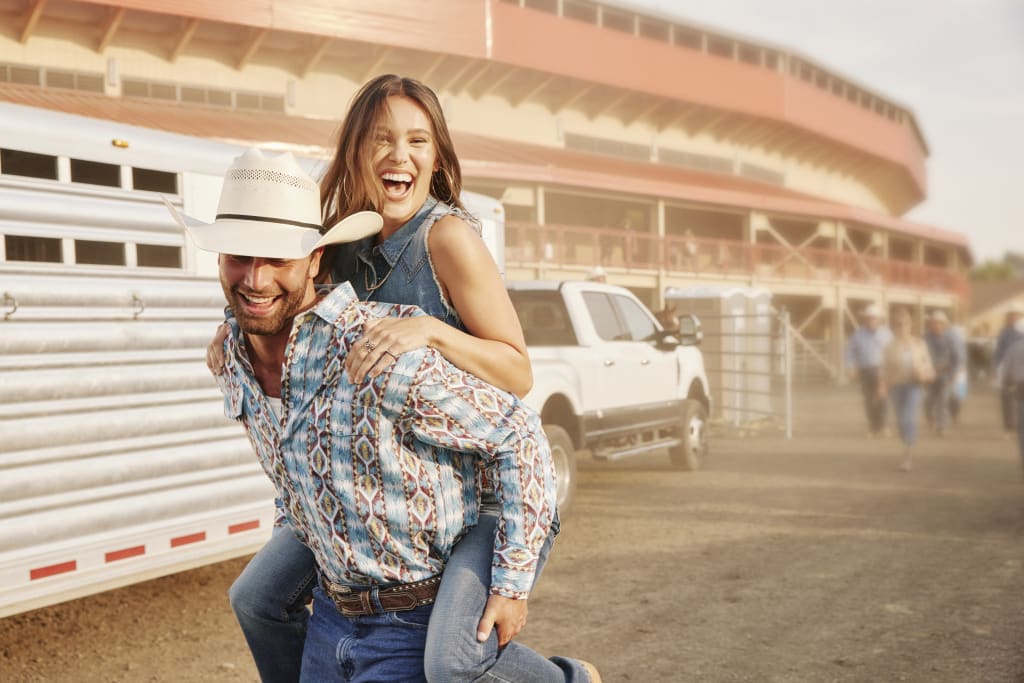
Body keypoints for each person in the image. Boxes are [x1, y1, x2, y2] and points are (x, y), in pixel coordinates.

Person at [210, 75, 589, 682]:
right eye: (382, 139)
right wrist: (232, 327)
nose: (398, 155)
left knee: (448, 662)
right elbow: (276, 291)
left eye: (417, 140)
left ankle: (564, 679)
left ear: (436, 158)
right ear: (357, 149)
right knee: (256, 598)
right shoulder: (342, 241)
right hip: (392, 492)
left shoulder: (447, 237)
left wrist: (432, 331)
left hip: (483, 487)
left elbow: (517, 371)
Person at [879, 308, 934, 472]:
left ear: (910, 325)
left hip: (914, 385)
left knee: (908, 417)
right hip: (896, 386)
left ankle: (908, 455)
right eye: (898, 324)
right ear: (894, 327)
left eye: (905, 323)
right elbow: (884, 368)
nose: (901, 327)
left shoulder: (919, 344)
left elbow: (928, 364)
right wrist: (882, 385)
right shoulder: (889, 346)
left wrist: (925, 372)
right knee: (901, 421)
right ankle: (907, 441)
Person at [844, 303, 892, 437]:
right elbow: (850, 351)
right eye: (869, 318)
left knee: (882, 398)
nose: (871, 320)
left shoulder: (886, 334)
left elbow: (892, 353)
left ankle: (883, 426)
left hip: (882, 370)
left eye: (874, 318)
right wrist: (851, 366)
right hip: (865, 370)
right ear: (865, 319)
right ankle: (873, 427)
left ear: (879, 319)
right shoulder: (858, 334)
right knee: (868, 399)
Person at [923, 310, 959, 437]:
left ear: (944, 324)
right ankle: (930, 419)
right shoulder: (925, 338)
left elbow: (956, 357)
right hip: (929, 374)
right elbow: (921, 355)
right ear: (930, 324)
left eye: (939, 323)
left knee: (943, 400)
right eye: (934, 323)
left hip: (945, 374)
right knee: (928, 400)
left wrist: (954, 374)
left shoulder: (950, 338)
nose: (937, 325)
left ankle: (942, 427)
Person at [993, 303, 1024, 438]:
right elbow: (998, 352)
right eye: (1011, 315)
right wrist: (996, 368)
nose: (1013, 318)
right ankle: (1008, 427)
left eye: (1016, 315)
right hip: (1006, 369)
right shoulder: (1004, 332)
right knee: (1006, 399)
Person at [999, 318, 1024, 475]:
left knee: (1023, 429)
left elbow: (1006, 371)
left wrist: (1007, 384)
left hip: (1022, 389)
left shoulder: (1014, 348)